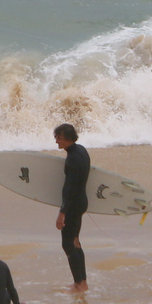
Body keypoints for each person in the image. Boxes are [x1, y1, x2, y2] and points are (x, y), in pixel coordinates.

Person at [53, 122, 89, 292]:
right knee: (75, 242)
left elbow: (70, 188)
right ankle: (82, 282)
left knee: (68, 244)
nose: (56, 142)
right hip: (81, 202)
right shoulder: (81, 150)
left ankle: (79, 284)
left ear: (67, 138)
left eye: (58, 138)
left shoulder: (73, 158)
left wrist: (62, 213)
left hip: (73, 205)